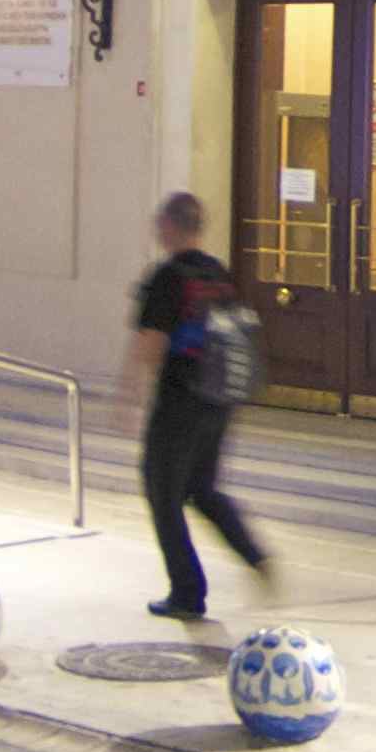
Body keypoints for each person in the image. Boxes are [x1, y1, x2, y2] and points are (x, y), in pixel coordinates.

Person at [126, 193, 274, 622]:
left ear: (170, 227)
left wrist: (132, 398)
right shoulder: (219, 274)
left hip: (179, 400)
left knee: (162, 492)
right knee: (203, 489)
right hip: (219, 401)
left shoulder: (167, 277)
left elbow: (150, 344)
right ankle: (254, 555)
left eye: (161, 225)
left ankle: (187, 593)